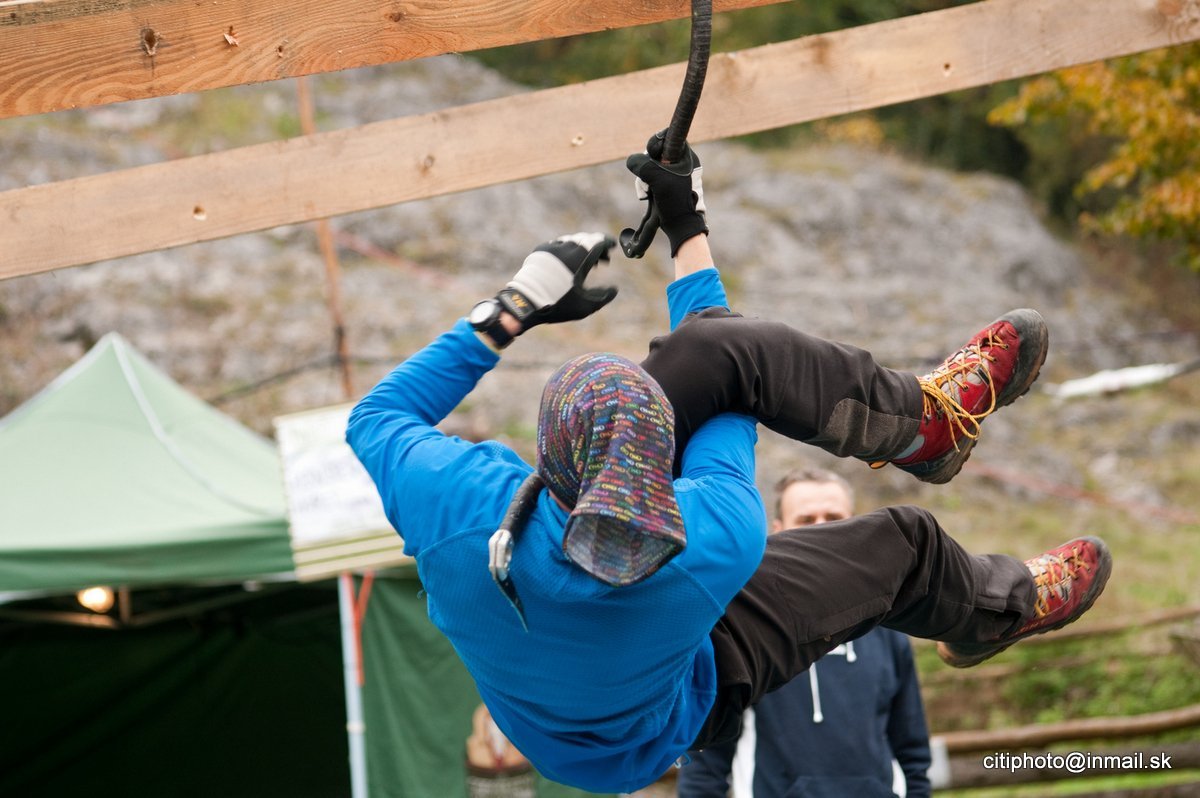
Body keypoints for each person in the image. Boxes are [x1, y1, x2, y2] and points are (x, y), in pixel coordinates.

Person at [345, 134, 1112, 794]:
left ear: (549, 457)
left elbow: (373, 417)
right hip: (678, 699)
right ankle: (997, 610)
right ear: (661, 459)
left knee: (727, 366)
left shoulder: (457, 504)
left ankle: (925, 425)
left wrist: (520, 304)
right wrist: (689, 227)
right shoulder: (712, 540)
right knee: (905, 548)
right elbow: (734, 371)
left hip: (565, 673)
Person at [676, 468, 932, 798]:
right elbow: (706, 762)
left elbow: (912, 746)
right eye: (806, 519)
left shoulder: (888, 626)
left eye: (834, 518)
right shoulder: (744, 630)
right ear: (778, 530)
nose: (822, 529)